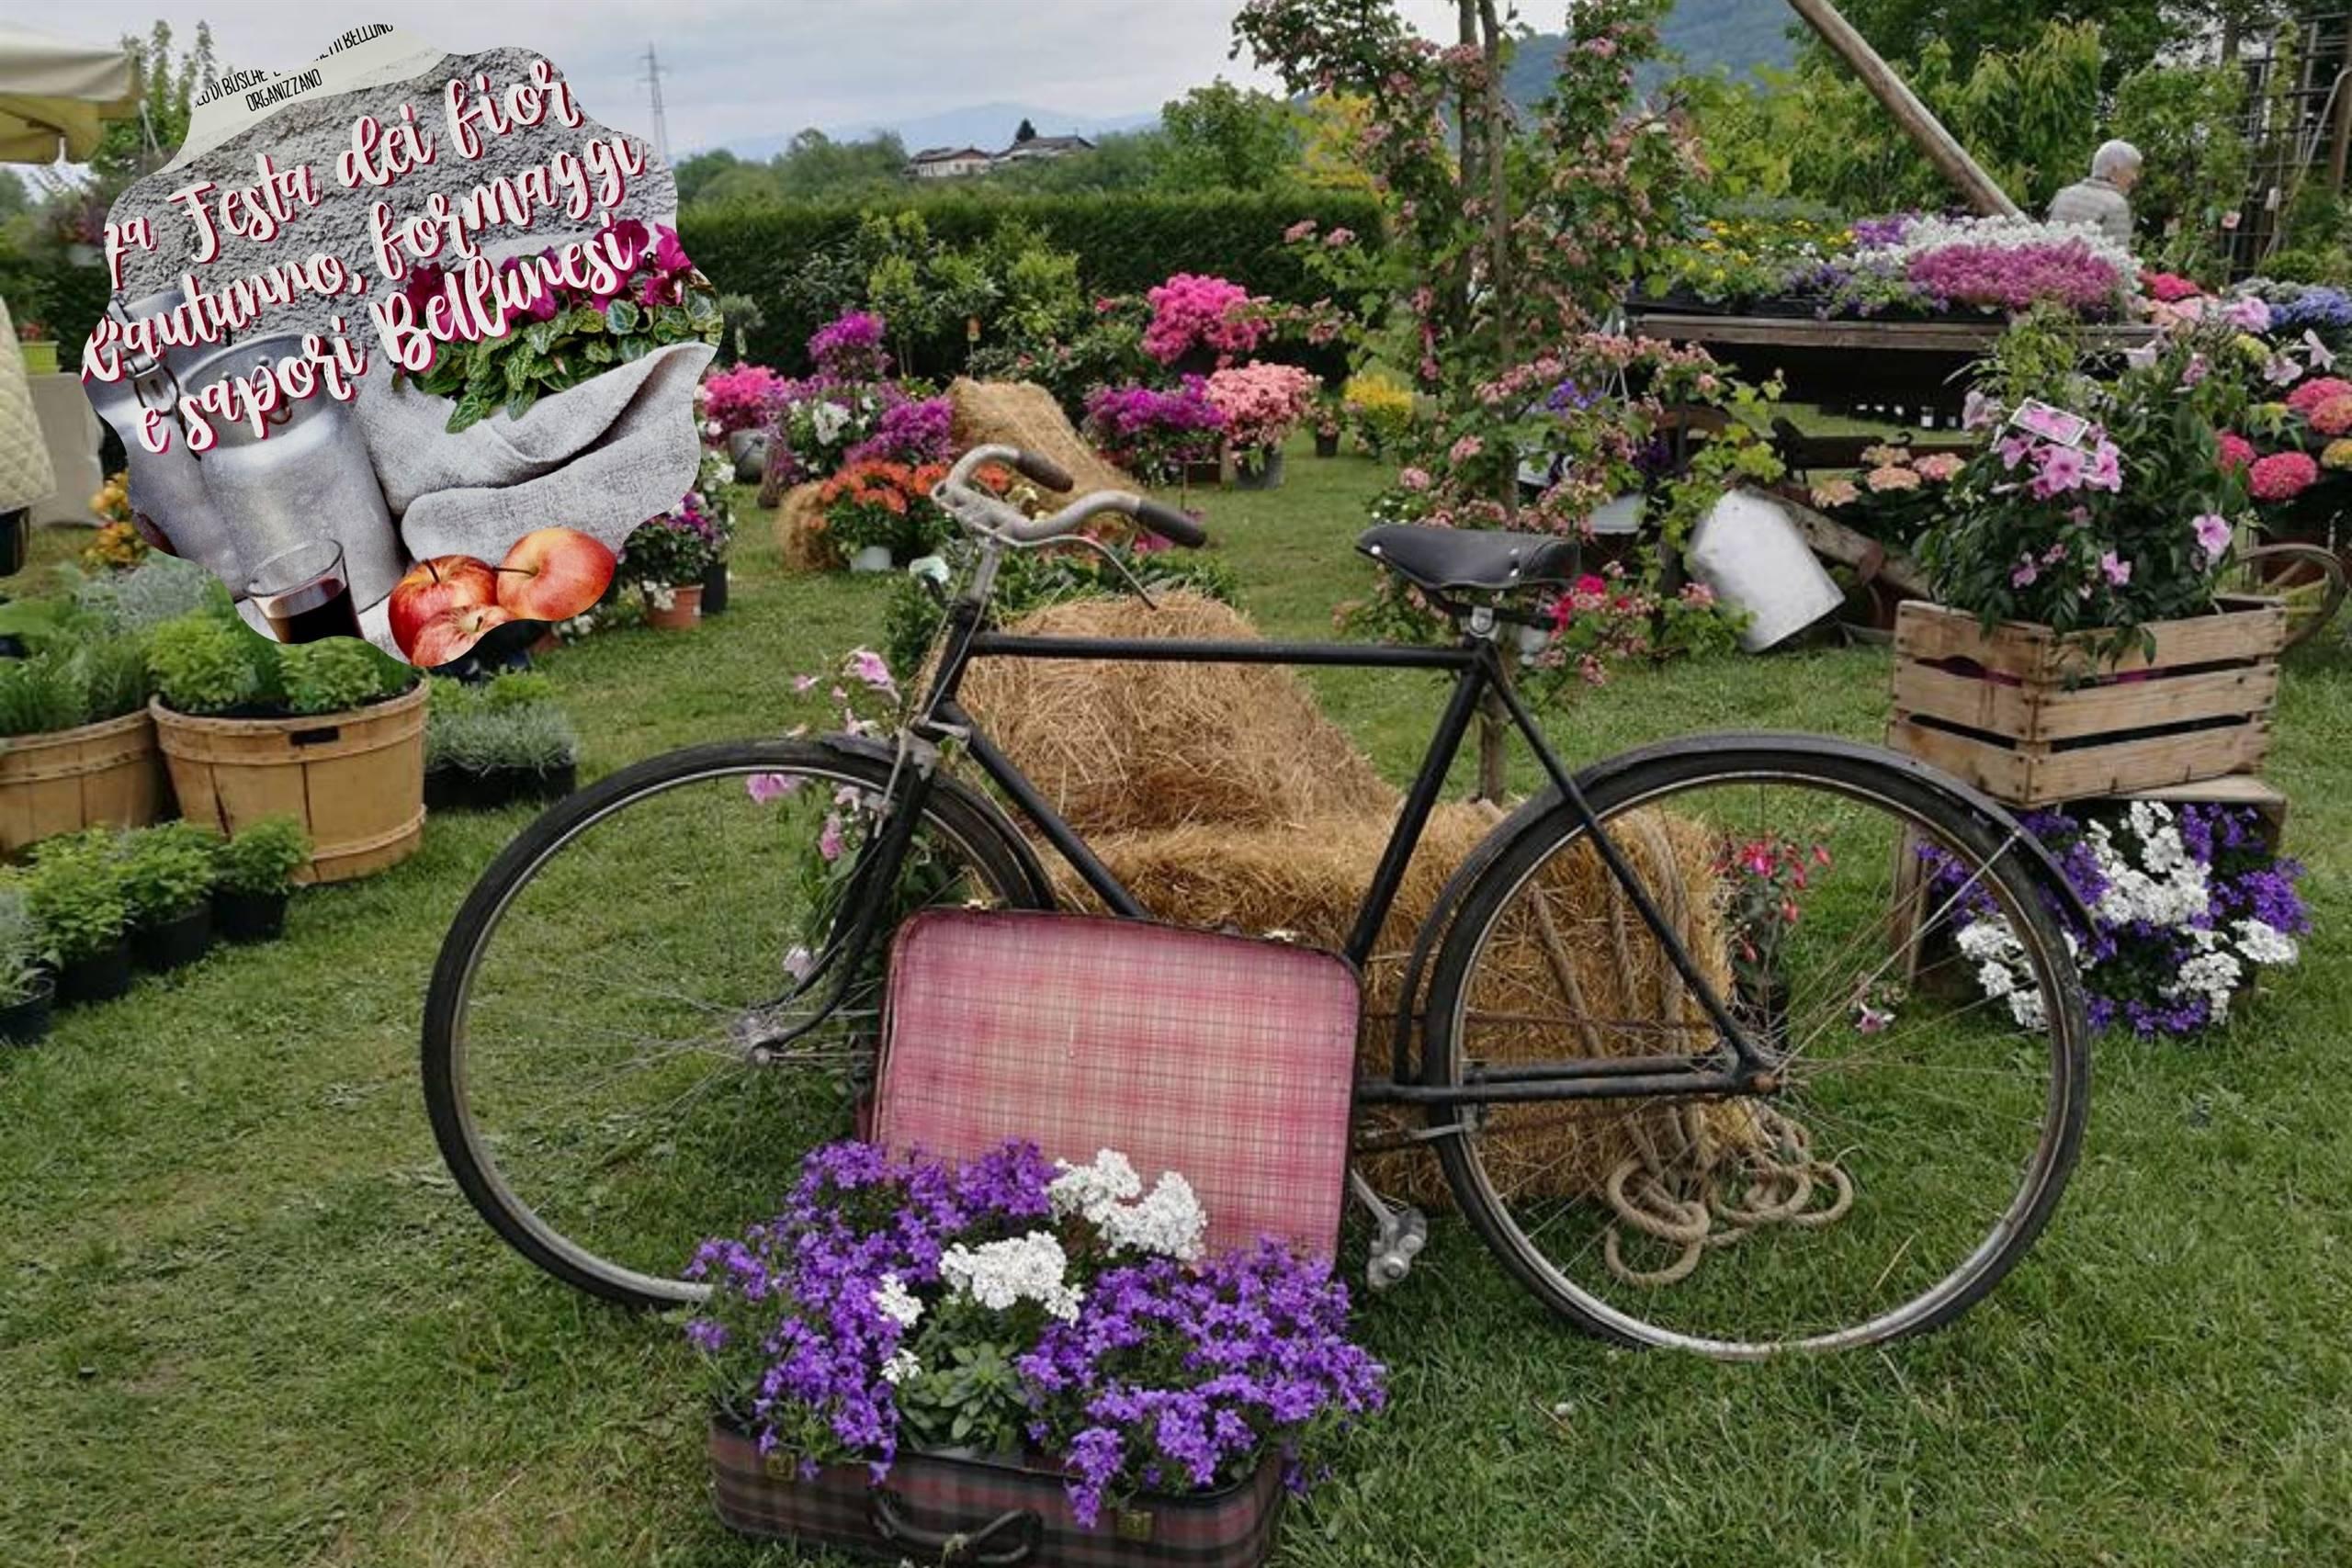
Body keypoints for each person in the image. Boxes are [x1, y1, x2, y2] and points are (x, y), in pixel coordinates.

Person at [2047, 141, 2143, 245]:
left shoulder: (2063, 195)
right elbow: (2117, 255)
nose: (2135, 177)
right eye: (2132, 170)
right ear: (2114, 170)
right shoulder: (2116, 205)